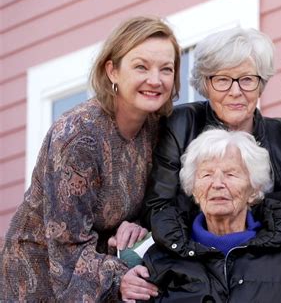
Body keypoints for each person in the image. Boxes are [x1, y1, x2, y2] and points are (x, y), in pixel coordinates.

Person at [0, 16, 181, 301]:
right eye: (141, 66)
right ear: (112, 70)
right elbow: (66, 244)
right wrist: (118, 276)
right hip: (38, 280)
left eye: (166, 69)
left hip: (97, 263)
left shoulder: (157, 130)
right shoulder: (78, 136)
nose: (155, 80)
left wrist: (136, 224)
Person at [143, 27, 281, 251]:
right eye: (222, 80)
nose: (235, 91)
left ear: (260, 86)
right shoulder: (181, 125)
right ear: (205, 85)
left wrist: (250, 218)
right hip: (197, 261)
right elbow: (158, 208)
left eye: (247, 79)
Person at [143, 129, 281, 302]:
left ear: (254, 189)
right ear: (193, 189)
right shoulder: (164, 253)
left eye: (231, 174)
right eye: (206, 175)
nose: (217, 184)